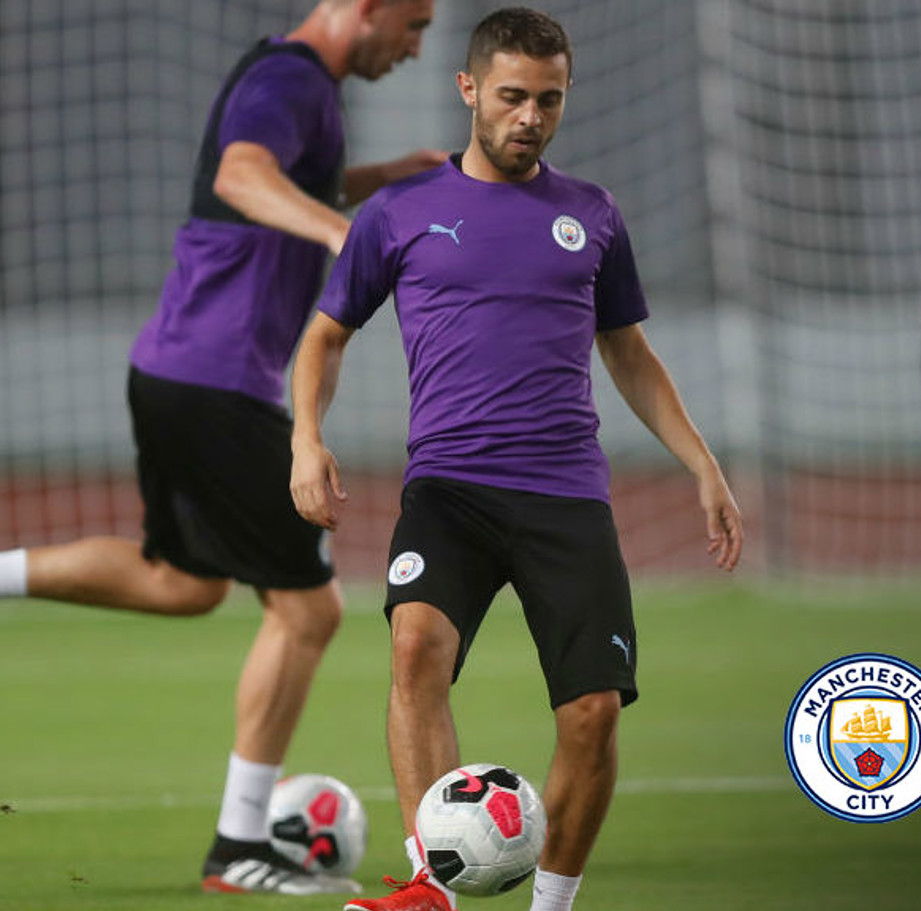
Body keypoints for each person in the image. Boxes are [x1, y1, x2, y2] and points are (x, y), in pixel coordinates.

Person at [0, 0, 443, 894]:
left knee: (183, 581)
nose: (415, 48)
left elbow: (282, 183)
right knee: (309, 610)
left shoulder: (298, 82)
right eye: (413, 25)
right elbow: (242, 176)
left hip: (177, 369)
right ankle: (238, 845)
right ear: (367, 7)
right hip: (217, 380)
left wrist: (384, 179)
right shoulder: (290, 78)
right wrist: (345, 234)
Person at [289, 8, 744, 910]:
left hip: (564, 494)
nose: (530, 117)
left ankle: (552, 905)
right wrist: (306, 435)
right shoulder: (400, 212)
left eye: (549, 99)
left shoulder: (592, 215)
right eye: (511, 97)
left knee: (593, 712)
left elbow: (629, 352)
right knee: (415, 649)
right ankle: (432, 887)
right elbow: (324, 335)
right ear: (468, 90)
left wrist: (703, 463)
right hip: (448, 489)